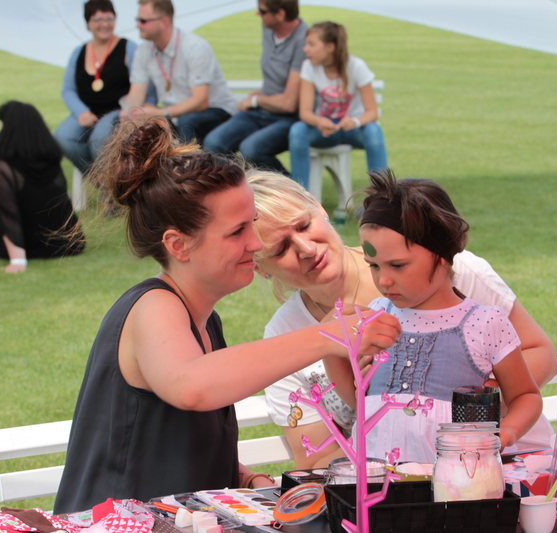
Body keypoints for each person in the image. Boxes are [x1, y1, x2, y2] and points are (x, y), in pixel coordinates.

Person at [52, 118, 400, 514]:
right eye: (237, 232)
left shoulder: (204, 320)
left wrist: (248, 479)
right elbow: (191, 386)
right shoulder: (153, 306)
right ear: (178, 245)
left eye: (252, 226)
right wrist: (331, 335)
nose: (255, 244)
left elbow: (168, 446)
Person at [247, 171, 557, 468]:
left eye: (303, 225)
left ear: (319, 207)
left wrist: (482, 407)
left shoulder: (455, 275)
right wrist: (330, 344)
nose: (305, 249)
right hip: (393, 483)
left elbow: (534, 365)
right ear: (257, 265)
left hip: (497, 464)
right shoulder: (296, 334)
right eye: (281, 249)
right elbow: (329, 441)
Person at [344, 169, 543, 462]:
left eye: (397, 265)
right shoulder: (376, 316)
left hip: (456, 477)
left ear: (441, 255)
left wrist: (508, 430)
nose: (383, 280)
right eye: (374, 265)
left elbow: (526, 395)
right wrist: (335, 349)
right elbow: (360, 401)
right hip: (375, 478)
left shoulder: (484, 323)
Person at [0, 101, 85, 274]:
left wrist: (18, 260)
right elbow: (42, 201)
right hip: (67, 243)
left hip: (27, 244)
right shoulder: (50, 156)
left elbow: (8, 212)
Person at [203, 0, 307, 174]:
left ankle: (288, 187)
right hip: (263, 110)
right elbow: (278, 78)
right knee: (213, 144)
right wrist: (261, 94)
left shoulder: (304, 40)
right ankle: (238, 186)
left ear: (280, 14)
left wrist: (255, 100)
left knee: (251, 150)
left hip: (290, 117)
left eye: (263, 11)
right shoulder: (269, 28)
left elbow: (289, 103)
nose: (258, 14)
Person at [119, 0, 238, 144]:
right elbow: (136, 94)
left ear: (164, 22)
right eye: (137, 19)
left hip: (216, 110)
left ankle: (188, 158)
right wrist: (129, 111)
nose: (137, 25)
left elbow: (200, 101)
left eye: (143, 21)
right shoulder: (143, 50)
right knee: (123, 121)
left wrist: (158, 113)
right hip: (174, 114)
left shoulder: (194, 47)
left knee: (186, 122)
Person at [288, 21, 387, 190]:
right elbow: (305, 113)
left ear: (330, 47)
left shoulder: (356, 67)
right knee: (297, 130)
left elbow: (372, 112)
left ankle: (382, 195)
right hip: (323, 130)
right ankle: (300, 195)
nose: (305, 49)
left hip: (352, 130)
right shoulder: (308, 67)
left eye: (311, 44)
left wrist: (355, 121)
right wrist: (319, 121)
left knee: (373, 130)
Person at [54, 0, 145, 174]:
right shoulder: (79, 52)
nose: (104, 24)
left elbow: (142, 85)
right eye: (97, 20)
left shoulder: (129, 48)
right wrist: (81, 112)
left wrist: (132, 109)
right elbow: (68, 90)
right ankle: (100, 180)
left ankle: (109, 185)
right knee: (62, 137)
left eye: (109, 19)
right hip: (87, 111)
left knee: (100, 138)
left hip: (117, 112)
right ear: (88, 23)